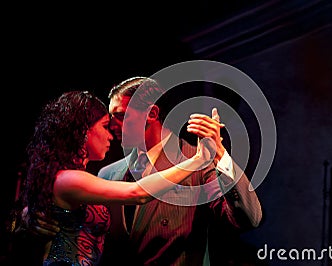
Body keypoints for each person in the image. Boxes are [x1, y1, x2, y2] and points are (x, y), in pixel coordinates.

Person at [10, 90, 219, 266]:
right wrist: (198, 160)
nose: (111, 133)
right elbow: (137, 193)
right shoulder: (68, 179)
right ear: (83, 131)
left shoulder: (83, 179)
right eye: (104, 126)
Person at [97, 77, 263, 265]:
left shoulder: (196, 162)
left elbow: (249, 218)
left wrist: (219, 154)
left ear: (152, 113)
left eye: (120, 116)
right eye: (111, 117)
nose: (111, 125)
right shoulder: (108, 174)